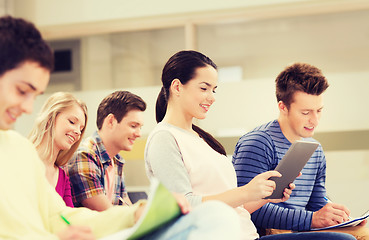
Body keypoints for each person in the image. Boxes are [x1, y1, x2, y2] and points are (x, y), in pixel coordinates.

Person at [0, 15, 245, 240]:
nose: (28, 107)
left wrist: (135, 215)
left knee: (215, 217)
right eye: (22, 91)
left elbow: (61, 216)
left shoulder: (19, 150)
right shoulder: (92, 155)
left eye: (34, 95)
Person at [144, 50, 356, 240]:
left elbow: (238, 207)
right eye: (204, 88)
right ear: (177, 87)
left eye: (214, 90)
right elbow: (182, 207)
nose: (212, 97)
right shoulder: (164, 138)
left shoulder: (202, 140)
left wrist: (265, 196)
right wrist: (246, 191)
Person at [232, 63, 367, 236]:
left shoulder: (315, 150)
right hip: (266, 232)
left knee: (363, 232)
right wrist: (312, 219)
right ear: (283, 107)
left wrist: (337, 216)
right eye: (306, 113)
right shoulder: (258, 143)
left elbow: (316, 204)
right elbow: (244, 209)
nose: (315, 120)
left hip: (299, 229)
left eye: (319, 111)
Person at [66, 90, 143, 210]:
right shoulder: (84, 155)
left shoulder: (117, 160)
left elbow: (127, 208)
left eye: (140, 127)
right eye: (133, 126)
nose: (139, 134)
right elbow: (107, 214)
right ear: (111, 121)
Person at [29, 92, 88, 207]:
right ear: (50, 118)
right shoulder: (22, 159)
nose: (78, 132)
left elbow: (69, 217)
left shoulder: (62, 177)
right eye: (72, 122)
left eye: (81, 129)